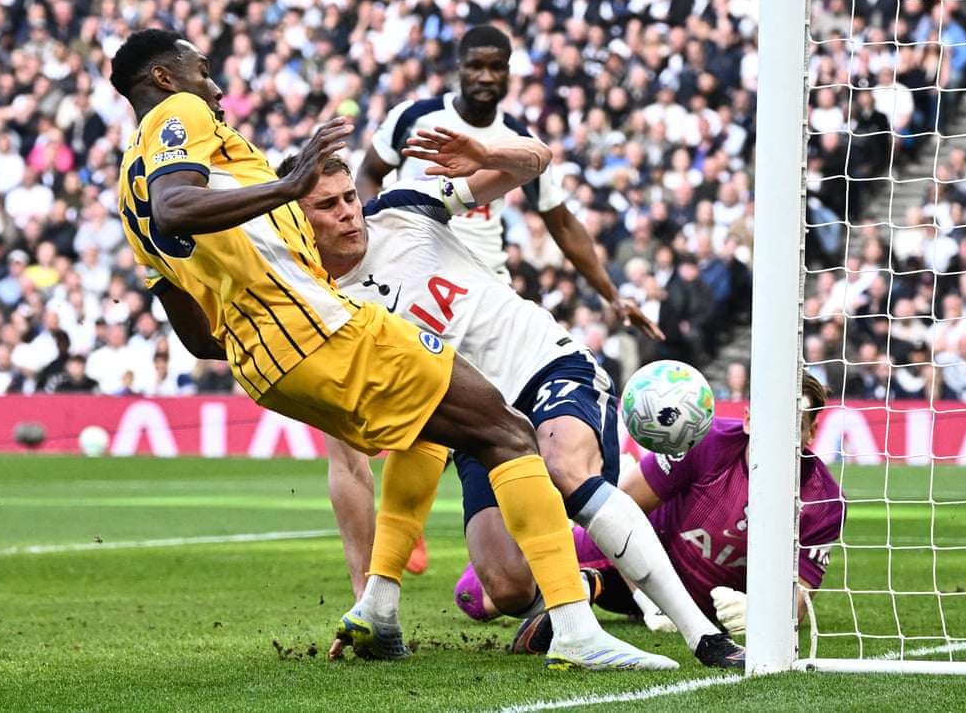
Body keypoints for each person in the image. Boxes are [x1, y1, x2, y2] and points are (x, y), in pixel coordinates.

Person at [109, 29, 675, 672]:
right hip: (322, 330)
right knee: (507, 432)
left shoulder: (127, 192)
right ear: (164, 77)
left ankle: (377, 607)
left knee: (431, 438)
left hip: (265, 366)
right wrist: (290, 188)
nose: (215, 88)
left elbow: (193, 334)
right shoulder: (180, 112)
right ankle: (575, 629)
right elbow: (177, 207)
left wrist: (262, 328)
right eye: (202, 70)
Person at [283, 129, 745, 669]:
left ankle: (703, 638)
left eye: (348, 197)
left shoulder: (403, 207)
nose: (349, 213)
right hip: (474, 418)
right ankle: (578, 595)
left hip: (544, 364)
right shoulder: (319, 305)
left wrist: (487, 156)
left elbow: (538, 159)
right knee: (504, 585)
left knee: (564, 467)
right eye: (327, 206)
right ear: (295, 220)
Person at [352, 22, 661, 579]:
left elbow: (561, 223)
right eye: (476, 65)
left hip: (482, 289)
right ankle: (405, 532)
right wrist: (371, 241)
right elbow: (367, 175)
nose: (486, 76)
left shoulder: (514, 137)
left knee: (477, 417)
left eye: (497, 67)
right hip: (413, 279)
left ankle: (528, 543)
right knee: (427, 407)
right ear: (458, 67)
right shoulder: (412, 118)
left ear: (510, 72)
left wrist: (612, 295)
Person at [481, 373, 845, 646]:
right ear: (749, 420)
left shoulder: (825, 503)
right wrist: (645, 598)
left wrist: (760, 613)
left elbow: (798, 605)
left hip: (699, 600)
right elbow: (621, 509)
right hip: (631, 550)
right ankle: (588, 580)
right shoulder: (708, 443)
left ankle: (590, 586)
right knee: (481, 595)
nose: (779, 437)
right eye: (770, 423)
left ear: (812, 432)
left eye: (794, 427)